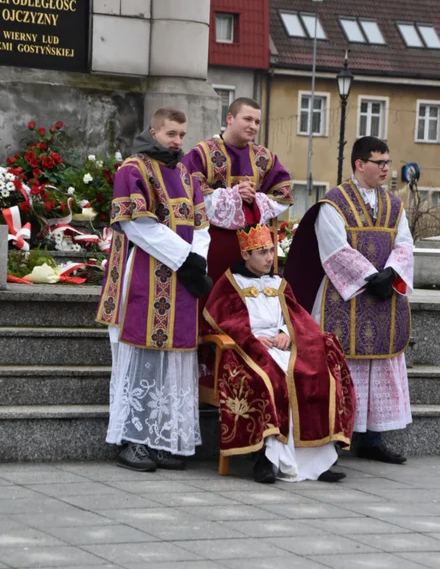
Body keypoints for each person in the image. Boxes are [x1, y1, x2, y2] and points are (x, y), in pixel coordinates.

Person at [285, 136, 413, 464]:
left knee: (380, 367)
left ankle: (373, 438)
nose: (386, 168)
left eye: (388, 162)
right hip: (346, 299)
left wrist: (392, 273)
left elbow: (405, 245)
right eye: (379, 162)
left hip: (384, 297)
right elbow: (334, 248)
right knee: (343, 367)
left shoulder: (394, 206)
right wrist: (370, 278)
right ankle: (334, 438)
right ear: (360, 164)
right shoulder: (334, 203)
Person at [96, 108, 212, 472]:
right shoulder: (133, 169)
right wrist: (186, 259)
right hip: (143, 273)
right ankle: (132, 441)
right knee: (141, 359)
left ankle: (163, 439)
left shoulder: (185, 174)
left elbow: (202, 223)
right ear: (154, 131)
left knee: (174, 360)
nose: (178, 141)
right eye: (171, 134)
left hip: (182, 279)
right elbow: (138, 226)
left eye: (182, 134)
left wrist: (197, 259)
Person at [203, 223, 356, 484]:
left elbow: (297, 315)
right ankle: (265, 458)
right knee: (270, 380)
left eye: (271, 251)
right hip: (246, 350)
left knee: (316, 374)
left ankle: (319, 461)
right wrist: (252, 338)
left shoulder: (279, 283)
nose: (269, 258)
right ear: (246, 255)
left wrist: (288, 331)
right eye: (262, 252)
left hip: (284, 346)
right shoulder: (229, 283)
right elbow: (224, 319)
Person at [182, 97, 293, 284]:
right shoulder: (202, 153)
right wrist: (233, 196)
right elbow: (191, 197)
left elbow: (283, 195)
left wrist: (255, 199)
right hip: (212, 245)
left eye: (257, 122)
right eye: (247, 119)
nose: (253, 126)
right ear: (230, 118)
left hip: (253, 252)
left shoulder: (264, 157)